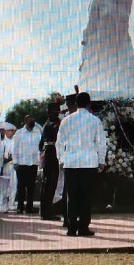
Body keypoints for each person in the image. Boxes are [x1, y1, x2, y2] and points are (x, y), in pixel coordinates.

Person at [56, 92, 107, 237]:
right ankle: (83, 226)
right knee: (86, 196)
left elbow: (59, 142)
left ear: (75, 104)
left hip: (71, 162)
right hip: (89, 162)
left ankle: (71, 227)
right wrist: (101, 160)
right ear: (89, 103)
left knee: (72, 196)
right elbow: (101, 142)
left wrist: (61, 159)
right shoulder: (95, 120)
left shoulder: (67, 120)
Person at [13, 115, 42, 214]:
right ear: (25, 121)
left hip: (33, 163)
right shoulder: (19, 133)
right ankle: (20, 207)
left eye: (33, 120)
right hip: (22, 163)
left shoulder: (37, 133)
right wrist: (15, 161)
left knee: (31, 187)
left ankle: (29, 207)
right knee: (21, 187)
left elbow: (40, 147)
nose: (32, 122)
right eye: (30, 120)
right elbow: (15, 148)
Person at [39, 104, 62, 220]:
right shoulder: (53, 124)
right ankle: (46, 212)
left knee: (48, 183)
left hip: (48, 152)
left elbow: (40, 144)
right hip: (52, 153)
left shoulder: (47, 123)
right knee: (50, 183)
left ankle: (45, 211)